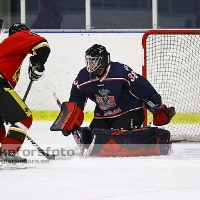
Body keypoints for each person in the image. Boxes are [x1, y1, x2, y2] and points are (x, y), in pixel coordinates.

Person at [54, 44, 174, 146]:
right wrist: (69, 120)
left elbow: (140, 85)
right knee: (94, 137)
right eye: (89, 61)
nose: (90, 65)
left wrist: (155, 100)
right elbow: (77, 99)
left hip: (129, 110)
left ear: (103, 60)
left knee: (119, 137)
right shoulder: (82, 76)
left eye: (94, 61)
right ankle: (88, 132)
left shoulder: (120, 71)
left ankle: (150, 136)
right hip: (103, 115)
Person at [0, 22, 51, 164]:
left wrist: (34, 64)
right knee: (24, 118)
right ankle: (8, 153)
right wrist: (37, 64)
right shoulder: (21, 35)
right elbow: (43, 46)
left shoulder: (6, 46)